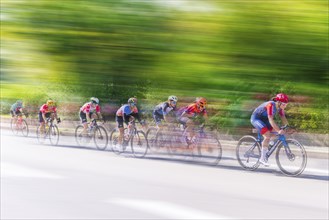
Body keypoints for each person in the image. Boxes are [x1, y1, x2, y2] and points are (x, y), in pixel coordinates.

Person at [251, 93, 289, 166]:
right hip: (256, 118)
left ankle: (267, 145)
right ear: (279, 102)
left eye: (286, 104)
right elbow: (271, 120)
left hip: (264, 120)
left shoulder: (280, 108)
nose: (285, 106)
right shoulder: (270, 105)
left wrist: (288, 127)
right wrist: (278, 130)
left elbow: (283, 118)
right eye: (284, 104)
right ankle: (262, 159)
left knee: (275, 132)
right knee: (268, 136)